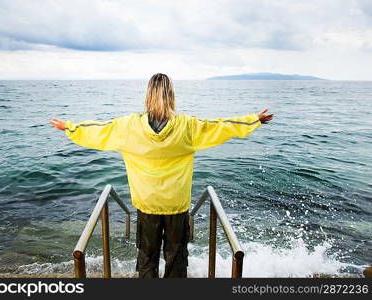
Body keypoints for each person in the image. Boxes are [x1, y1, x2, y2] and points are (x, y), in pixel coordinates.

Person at [49, 73, 274, 278]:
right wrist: (253, 120)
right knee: (176, 258)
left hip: (147, 204)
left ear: (147, 95)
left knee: (147, 257)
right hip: (176, 203)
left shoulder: (128, 127)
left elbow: (97, 130)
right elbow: (220, 126)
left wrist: (69, 127)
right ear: (171, 96)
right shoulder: (187, 126)